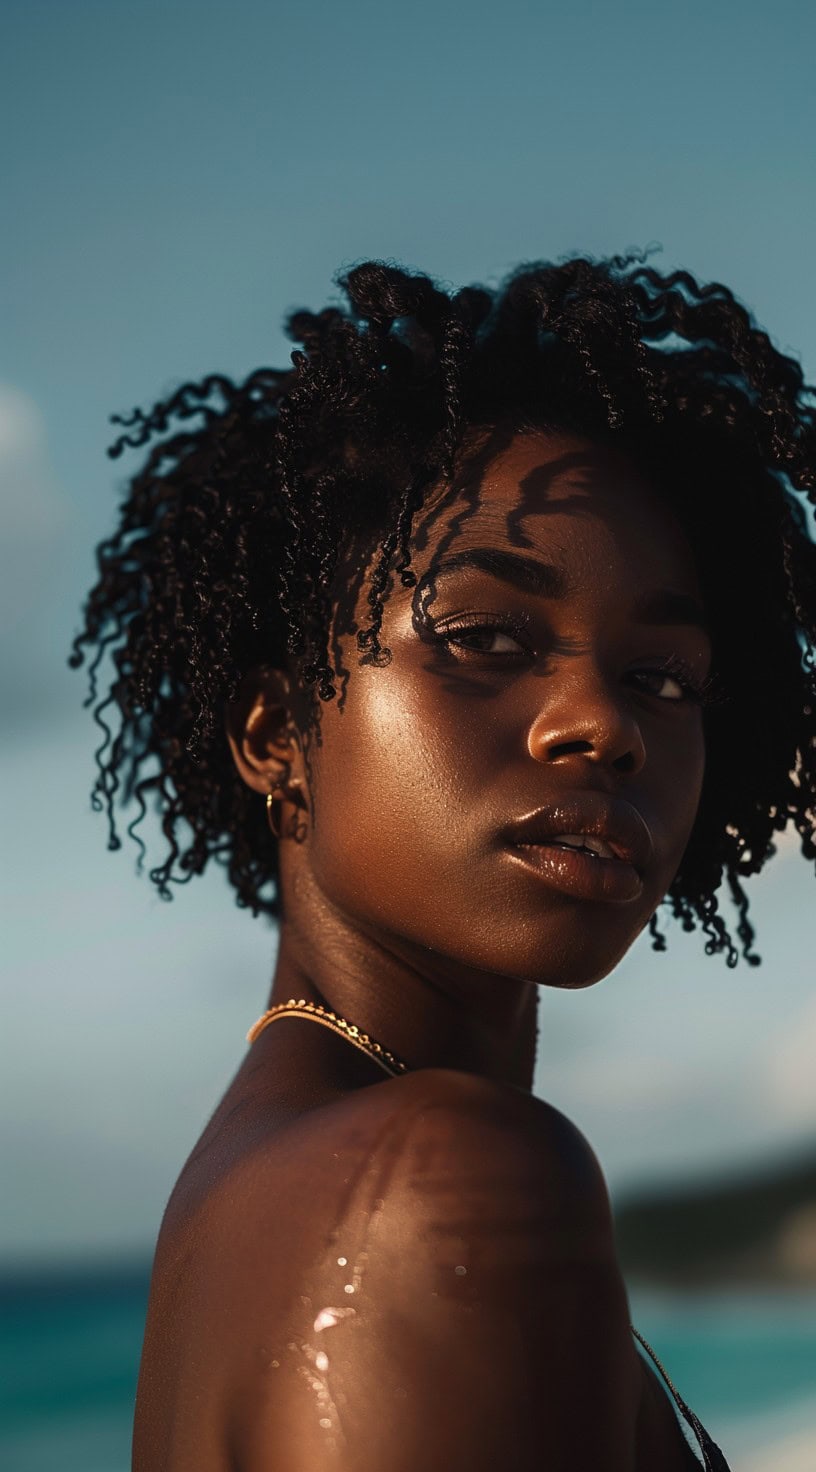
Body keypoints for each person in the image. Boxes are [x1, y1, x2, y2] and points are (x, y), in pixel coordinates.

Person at [71, 253, 816, 1470]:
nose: (603, 723)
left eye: (662, 678)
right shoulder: (435, 1181)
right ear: (274, 736)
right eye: (484, 636)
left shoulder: (273, 1179)